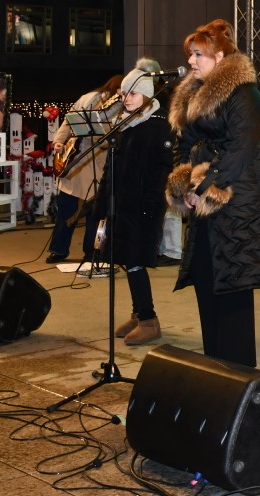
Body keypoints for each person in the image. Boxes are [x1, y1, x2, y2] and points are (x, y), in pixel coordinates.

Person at [165, 19, 260, 368]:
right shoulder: (192, 94)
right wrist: (184, 185)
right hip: (205, 198)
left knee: (233, 283)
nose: (191, 61)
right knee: (207, 278)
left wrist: (203, 186)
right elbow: (185, 145)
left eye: (198, 55)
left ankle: (238, 373)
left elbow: (241, 147)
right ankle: (215, 369)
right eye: (190, 54)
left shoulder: (245, 92)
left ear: (218, 57)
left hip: (240, 197)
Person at [105, 58, 174, 346]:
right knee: (127, 259)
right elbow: (114, 167)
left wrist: (150, 205)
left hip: (143, 206)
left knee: (135, 261)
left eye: (132, 93)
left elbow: (163, 170)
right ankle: (137, 313)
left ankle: (148, 320)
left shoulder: (159, 126)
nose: (126, 99)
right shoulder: (127, 125)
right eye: (124, 94)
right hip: (125, 205)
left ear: (146, 95)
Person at [46, 75, 123, 264]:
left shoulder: (89, 98)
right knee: (88, 210)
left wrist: (60, 141)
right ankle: (89, 251)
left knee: (77, 209)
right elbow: (70, 121)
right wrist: (59, 141)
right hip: (83, 159)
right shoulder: (99, 100)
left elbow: (69, 121)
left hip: (84, 160)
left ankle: (62, 250)